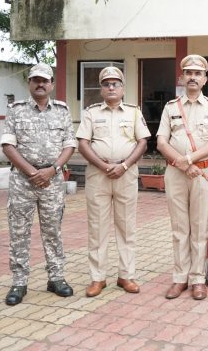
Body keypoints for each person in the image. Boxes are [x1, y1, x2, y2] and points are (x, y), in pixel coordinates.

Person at [0, 63, 76, 306]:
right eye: (36, 80)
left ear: (51, 84)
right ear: (29, 83)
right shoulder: (16, 110)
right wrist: (33, 172)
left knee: (53, 230)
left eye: (45, 80)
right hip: (23, 181)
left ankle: (56, 278)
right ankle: (19, 282)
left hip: (52, 181)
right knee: (19, 232)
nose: (40, 84)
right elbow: (8, 146)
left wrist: (52, 170)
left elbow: (69, 145)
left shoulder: (62, 111)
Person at [76, 66, 150, 297]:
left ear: (122, 88)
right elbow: (83, 143)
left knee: (126, 227)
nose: (111, 87)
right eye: (106, 84)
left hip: (126, 175)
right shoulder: (91, 113)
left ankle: (126, 275)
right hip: (98, 175)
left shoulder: (134, 112)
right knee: (97, 228)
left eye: (115, 84)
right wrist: (103, 165)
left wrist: (124, 165)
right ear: (101, 89)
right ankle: (98, 278)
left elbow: (143, 142)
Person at [157, 54, 208, 301]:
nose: (193, 77)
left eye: (198, 73)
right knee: (179, 228)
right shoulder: (170, 107)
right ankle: (180, 278)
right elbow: (161, 142)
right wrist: (183, 165)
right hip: (176, 173)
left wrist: (189, 160)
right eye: (189, 73)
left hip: (202, 174)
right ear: (182, 78)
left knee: (199, 228)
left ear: (205, 79)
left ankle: (198, 279)